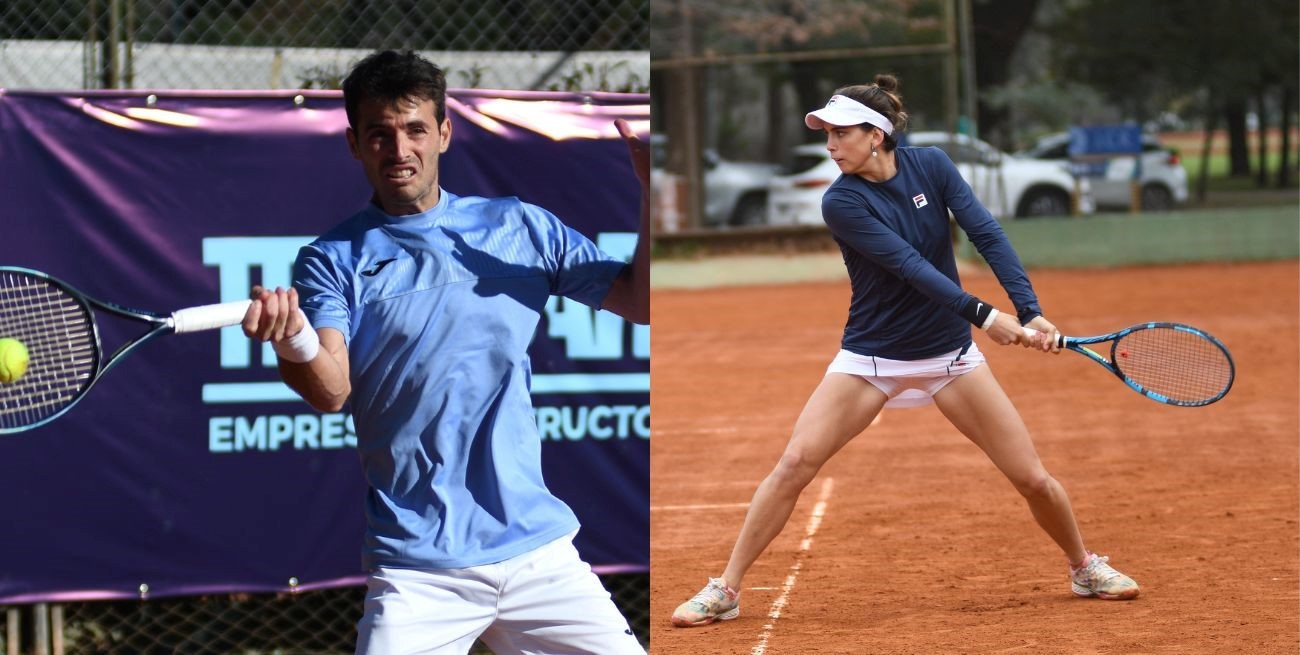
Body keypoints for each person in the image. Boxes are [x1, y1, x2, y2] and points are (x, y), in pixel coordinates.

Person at [671, 75, 1138, 628]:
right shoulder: (841, 201)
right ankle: (726, 587)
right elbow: (910, 268)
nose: (830, 145)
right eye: (827, 134)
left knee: (1032, 478)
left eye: (840, 133)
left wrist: (1028, 309)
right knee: (795, 463)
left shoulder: (932, 166)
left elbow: (985, 233)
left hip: (950, 358)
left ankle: (1084, 566)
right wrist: (989, 318)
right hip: (872, 360)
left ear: (876, 135)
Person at [241, 50, 649, 655]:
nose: (398, 149)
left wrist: (654, 195)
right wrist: (294, 337)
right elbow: (331, 390)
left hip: (538, 554)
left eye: (414, 130)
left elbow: (642, 304)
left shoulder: (522, 227)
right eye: (379, 134)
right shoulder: (332, 259)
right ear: (355, 144)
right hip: (417, 568)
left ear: (444, 134)